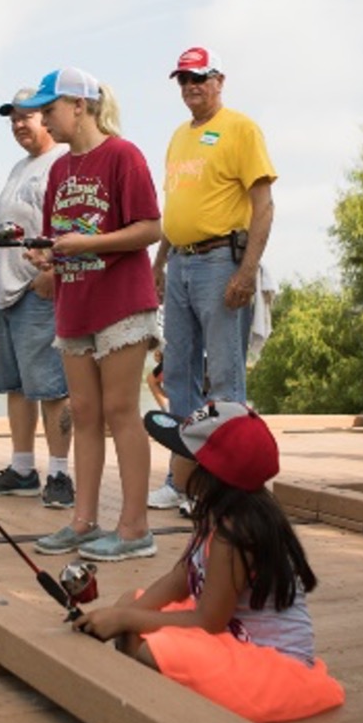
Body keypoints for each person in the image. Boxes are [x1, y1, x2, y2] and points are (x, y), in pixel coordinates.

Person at [72, 401, 345, 723]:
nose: (173, 461)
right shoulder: (215, 513)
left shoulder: (236, 531)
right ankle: (146, 694)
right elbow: (180, 579)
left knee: (154, 650)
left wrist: (126, 621)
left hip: (271, 664)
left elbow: (209, 621)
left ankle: (153, 703)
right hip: (231, 635)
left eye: (180, 454)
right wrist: (122, 615)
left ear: (208, 472)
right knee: (130, 602)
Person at [19, 68, 163, 562]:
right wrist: (47, 259)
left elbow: (150, 229)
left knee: (122, 412)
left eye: (50, 109)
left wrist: (89, 243)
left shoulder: (123, 156)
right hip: (74, 305)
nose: (43, 119)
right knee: (83, 415)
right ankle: (83, 521)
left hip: (121, 304)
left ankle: (134, 528)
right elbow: (60, 239)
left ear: (80, 106)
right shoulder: (59, 170)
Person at [151, 46, 276, 511]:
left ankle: (221, 488)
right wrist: (158, 262)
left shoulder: (241, 128)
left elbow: (263, 205)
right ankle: (181, 481)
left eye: (199, 77)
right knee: (178, 375)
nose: (191, 87)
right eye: (183, 79)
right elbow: (174, 209)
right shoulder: (178, 136)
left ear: (219, 79)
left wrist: (246, 272)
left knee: (224, 380)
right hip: (181, 262)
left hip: (221, 260)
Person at [0, 87, 74, 508]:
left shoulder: (61, 163)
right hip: (2, 294)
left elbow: (67, 224)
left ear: (46, 117)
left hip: (36, 291)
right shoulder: (19, 166)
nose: (18, 125)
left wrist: (50, 272)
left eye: (25, 117)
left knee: (51, 388)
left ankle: (61, 475)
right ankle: (22, 468)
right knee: (15, 387)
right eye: (12, 119)